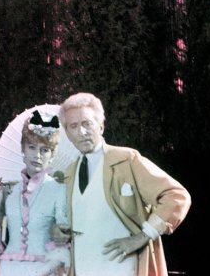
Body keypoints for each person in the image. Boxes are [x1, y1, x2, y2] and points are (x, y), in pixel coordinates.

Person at [57, 92, 191, 276]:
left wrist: (143, 237)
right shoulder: (68, 174)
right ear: (67, 133)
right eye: (73, 126)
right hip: (83, 266)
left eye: (87, 123)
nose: (81, 132)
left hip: (123, 267)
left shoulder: (127, 159)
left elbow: (176, 196)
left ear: (101, 127)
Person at [0, 110, 70, 276]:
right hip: (8, 270)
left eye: (44, 150)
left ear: (52, 156)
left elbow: (63, 246)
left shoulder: (58, 190)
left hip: (44, 270)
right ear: (23, 150)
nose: (36, 155)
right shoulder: (11, 192)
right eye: (32, 147)